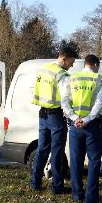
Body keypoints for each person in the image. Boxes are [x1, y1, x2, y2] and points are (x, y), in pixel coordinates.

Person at [30, 46, 78, 194]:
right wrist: (73, 115)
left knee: (42, 150)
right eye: (71, 61)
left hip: (42, 114)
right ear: (64, 59)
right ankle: (57, 187)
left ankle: (35, 183)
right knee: (57, 152)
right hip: (55, 116)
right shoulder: (62, 75)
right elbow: (65, 100)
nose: (72, 65)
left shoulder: (44, 69)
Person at [61, 54, 102, 203]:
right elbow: (98, 104)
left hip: (75, 126)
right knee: (94, 161)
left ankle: (77, 195)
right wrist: (87, 119)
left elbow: (64, 101)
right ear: (95, 64)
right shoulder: (99, 80)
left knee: (75, 161)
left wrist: (75, 118)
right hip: (91, 126)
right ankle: (91, 198)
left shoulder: (71, 78)